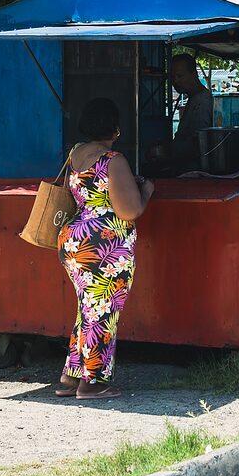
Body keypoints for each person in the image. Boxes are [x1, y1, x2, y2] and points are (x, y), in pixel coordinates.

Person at [56, 97, 153, 400]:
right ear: (115, 128)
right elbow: (130, 210)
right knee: (103, 311)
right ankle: (94, 383)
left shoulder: (75, 154)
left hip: (74, 238)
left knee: (88, 309)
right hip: (105, 245)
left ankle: (71, 377)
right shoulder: (113, 160)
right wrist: (146, 191)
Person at [170, 53, 213, 171]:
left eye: (180, 76)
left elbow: (199, 142)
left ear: (194, 74)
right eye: (173, 77)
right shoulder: (193, 99)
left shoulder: (202, 101)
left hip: (194, 170)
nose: (175, 81)